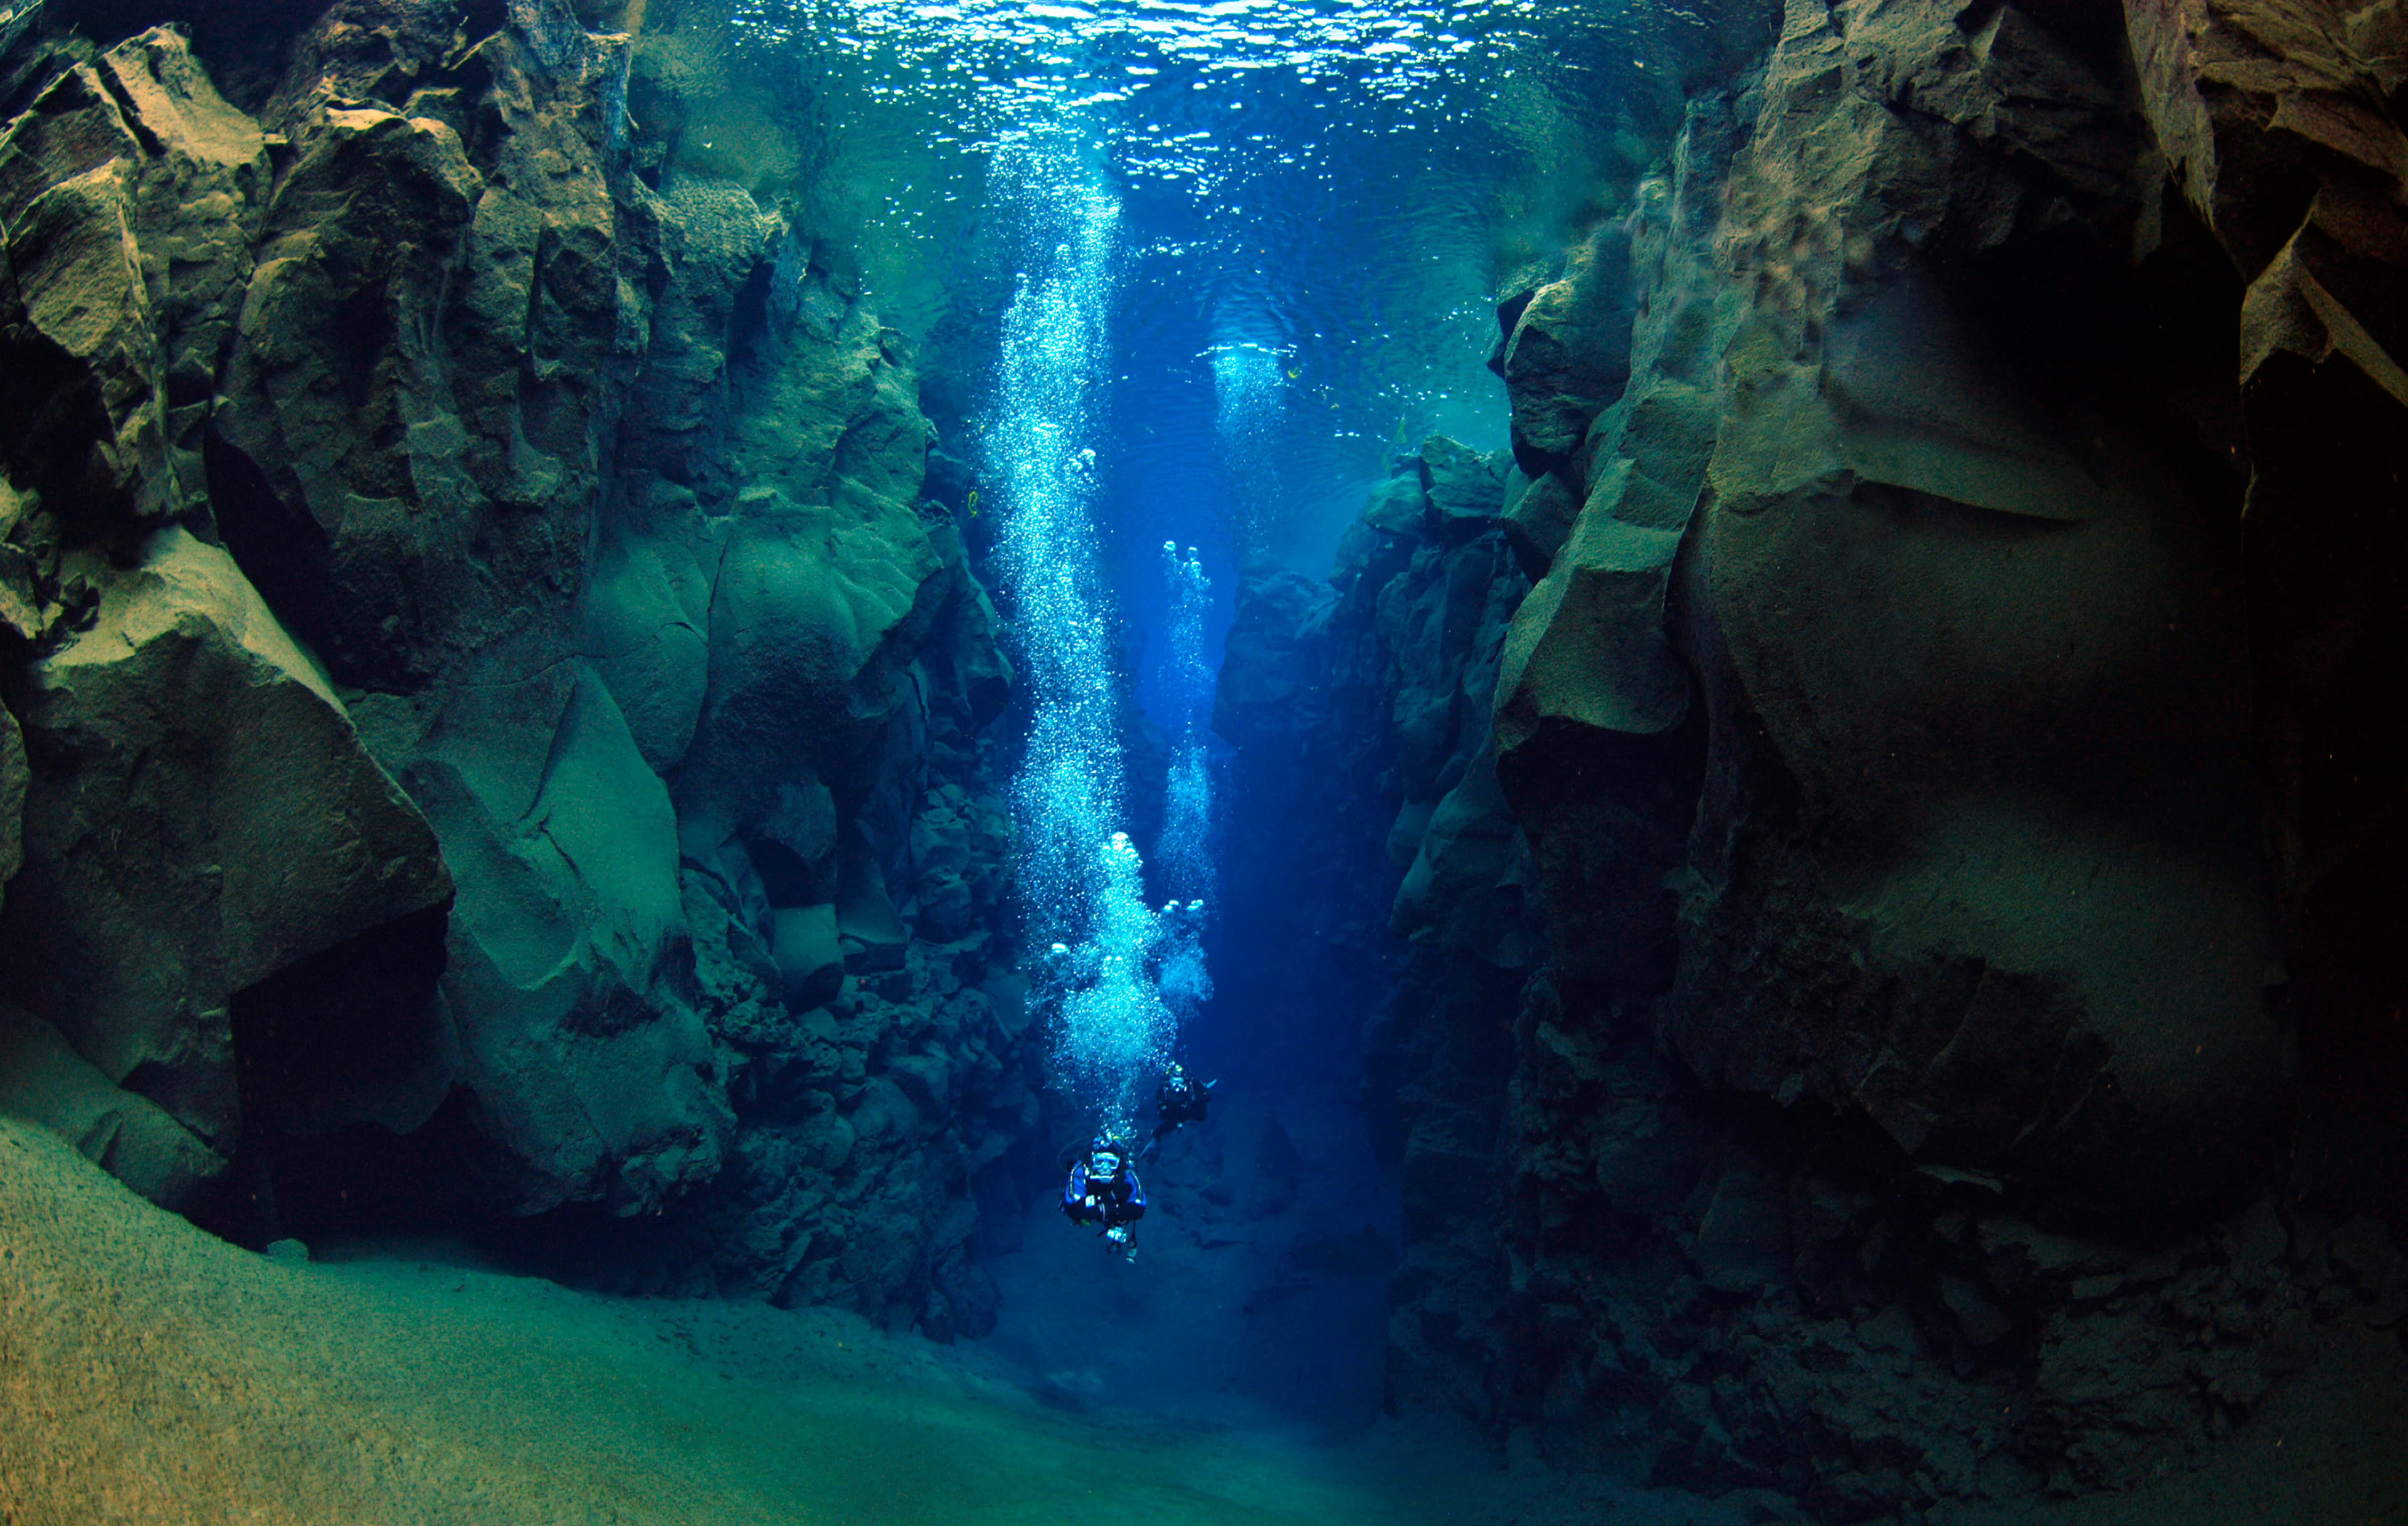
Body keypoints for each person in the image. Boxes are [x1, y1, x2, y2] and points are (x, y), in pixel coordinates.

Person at [1062, 1135, 1146, 1255]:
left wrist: (1102, 1207)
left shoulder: (1126, 1172)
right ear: (1093, 1161)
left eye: (1111, 1163)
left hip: (1104, 1209)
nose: (1105, 1168)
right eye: (1100, 1162)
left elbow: (1140, 1208)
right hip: (1103, 1204)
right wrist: (1110, 1199)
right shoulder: (1080, 1170)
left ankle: (1116, 1230)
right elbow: (1073, 1206)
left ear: (1118, 1163)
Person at [1149, 1063, 1213, 1150]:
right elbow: (1162, 1114)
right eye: (1174, 1082)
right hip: (1175, 1117)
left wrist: (1196, 1099)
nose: (1177, 1087)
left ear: (1184, 1080)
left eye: (1179, 1082)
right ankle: (1155, 1140)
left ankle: (1156, 1139)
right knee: (1167, 1126)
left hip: (1193, 1113)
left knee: (1201, 1116)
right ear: (1169, 1082)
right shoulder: (1163, 1091)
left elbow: (1207, 1099)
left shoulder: (1193, 1086)